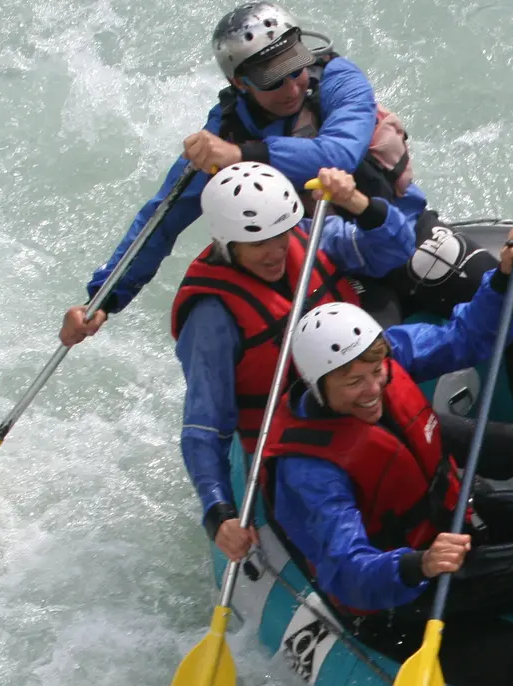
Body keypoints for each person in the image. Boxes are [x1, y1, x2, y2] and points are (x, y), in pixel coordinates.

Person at [262, 237, 513, 641]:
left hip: (449, 519)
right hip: (405, 585)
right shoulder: (310, 471)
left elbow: (465, 336)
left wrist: (501, 280)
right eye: (353, 382)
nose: (373, 389)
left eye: (377, 372)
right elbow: (347, 570)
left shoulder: (385, 358)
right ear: (317, 386)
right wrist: (420, 563)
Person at [63, 3, 410, 344]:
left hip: (394, 227)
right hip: (328, 257)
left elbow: (341, 154)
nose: (292, 89)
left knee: (437, 272)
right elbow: (163, 219)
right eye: (274, 81)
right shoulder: (225, 132)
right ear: (239, 82)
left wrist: (243, 155)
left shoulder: (339, 79)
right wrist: (103, 299)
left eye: (296, 69)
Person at [169, 162, 414, 563]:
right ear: (227, 243)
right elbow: (203, 425)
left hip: (361, 401)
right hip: (300, 446)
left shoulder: (309, 234)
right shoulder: (211, 317)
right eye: (258, 243)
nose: (276, 251)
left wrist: (356, 201)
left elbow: (397, 249)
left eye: (280, 234)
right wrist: (219, 513)